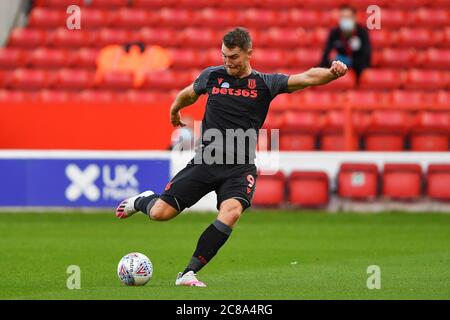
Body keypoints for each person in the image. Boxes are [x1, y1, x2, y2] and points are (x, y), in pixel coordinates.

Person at [115, 27, 348, 287]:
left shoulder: (264, 83)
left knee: (232, 211)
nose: (228, 62)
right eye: (225, 55)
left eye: (234, 57)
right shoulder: (212, 76)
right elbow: (187, 94)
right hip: (206, 161)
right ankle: (143, 200)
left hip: (240, 168)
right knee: (160, 213)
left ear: (249, 53)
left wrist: (331, 73)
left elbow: (305, 78)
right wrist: (174, 111)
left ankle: (188, 273)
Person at [320, 4, 371, 81]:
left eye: (348, 17)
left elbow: (366, 59)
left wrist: (347, 62)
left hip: (357, 73)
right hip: (336, 73)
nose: (345, 20)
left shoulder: (362, 33)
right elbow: (326, 57)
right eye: (342, 17)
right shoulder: (334, 33)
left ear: (354, 18)